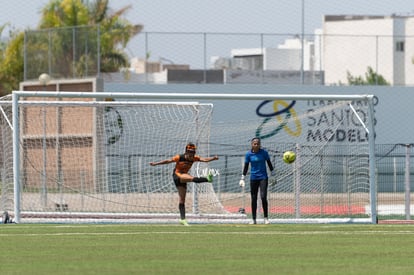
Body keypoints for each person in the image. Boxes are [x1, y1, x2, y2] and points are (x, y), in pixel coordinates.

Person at [150, 143, 219, 226]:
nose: (192, 154)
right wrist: (156, 164)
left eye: (193, 152)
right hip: (177, 175)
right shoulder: (179, 157)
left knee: (182, 200)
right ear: (186, 151)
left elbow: (204, 159)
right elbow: (168, 161)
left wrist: (213, 158)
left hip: (183, 177)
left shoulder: (194, 158)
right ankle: (207, 179)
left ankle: (182, 220)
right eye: (190, 152)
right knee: (191, 178)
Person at [239, 137, 275, 225]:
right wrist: (242, 177)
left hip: (263, 177)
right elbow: (246, 167)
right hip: (253, 178)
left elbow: (269, 163)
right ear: (252, 144)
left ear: (260, 144)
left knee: (263, 197)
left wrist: (273, 175)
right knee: (253, 198)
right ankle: (254, 219)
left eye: (258, 143)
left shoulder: (264, 153)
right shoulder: (248, 154)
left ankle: (266, 218)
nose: (256, 145)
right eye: (254, 143)